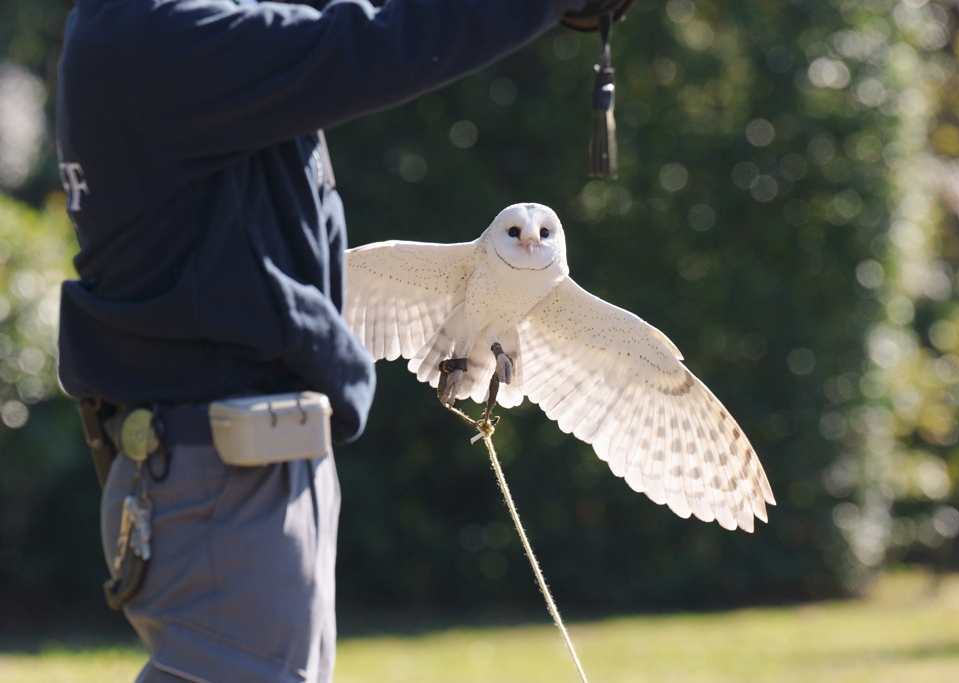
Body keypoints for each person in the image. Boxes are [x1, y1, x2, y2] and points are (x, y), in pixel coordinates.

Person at [55, 0, 630, 680]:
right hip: (222, 471)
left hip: (216, 465)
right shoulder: (165, 39)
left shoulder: (137, 38)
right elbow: (368, 42)